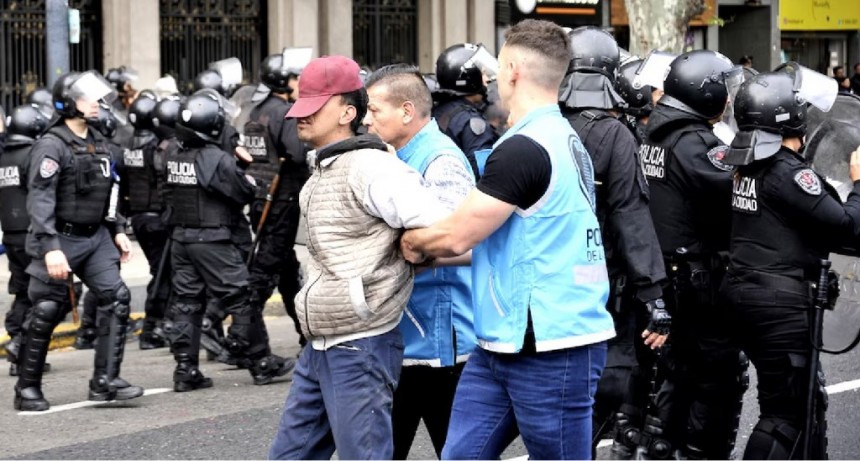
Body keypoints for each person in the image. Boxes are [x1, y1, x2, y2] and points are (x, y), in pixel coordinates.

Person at [401, 19, 614, 460]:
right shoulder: (557, 137)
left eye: (498, 66)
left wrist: (409, 242)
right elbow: (509, 241)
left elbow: (458, 234)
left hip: (552, 344)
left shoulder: (525, 148)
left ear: (514, 70)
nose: (494, 78)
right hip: (504, 340)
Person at [267, 55, 450, 460]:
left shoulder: (372, 167)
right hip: (320, 344)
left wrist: (411, 248)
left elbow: (442, 226)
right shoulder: (323, 168)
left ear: (348, 112)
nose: (302, 117)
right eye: (301, 105)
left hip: (360, 343)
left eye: (315, 106)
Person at [720, 65, 860, 459]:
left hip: (748, 296)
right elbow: (849, 228)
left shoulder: (745, 167)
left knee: (799, 406)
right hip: (779, 305)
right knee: (788, 415)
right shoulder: (788, 174)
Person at [558, 26, 670, 458]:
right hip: (600, 279)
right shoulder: (613, 134)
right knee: (604, 387)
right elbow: (631, 215)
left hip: (543, 282)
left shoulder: (534, 125)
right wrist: (655, 295)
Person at [637, 50, 749, 459]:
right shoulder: (694, 144)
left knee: (677, 374)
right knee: (717, 377)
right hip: (698, 281)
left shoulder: (656, 134)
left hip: (668, 275)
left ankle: (665, 448)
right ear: (705, 94)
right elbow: (738, 190)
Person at [363, 63, 477, 459]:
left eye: (374, 110)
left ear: (407, 111)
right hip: (406, 337)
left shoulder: (439, 160)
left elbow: (462, 245)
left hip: (438, 345)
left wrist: (402, 248)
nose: (366, 119)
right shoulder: (394, 154)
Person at [15, 71, 143, 412]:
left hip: (96, 237)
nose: (98, 105)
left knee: (116, 297)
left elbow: (112, 189)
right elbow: (39, 199)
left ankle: (105, 381)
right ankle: (27, 388)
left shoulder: (100, 141)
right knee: (46, 310)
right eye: (89, 99)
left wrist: (117, 229)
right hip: (60, 238)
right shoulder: (51, 144)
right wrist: (51, 247)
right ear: (68, 103)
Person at [161, 88, 294, 392]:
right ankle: (259, 360)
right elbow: (243, 191)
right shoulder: (215, 159)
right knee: (241, 297)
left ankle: (185, 369)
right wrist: (242, 169)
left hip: (182, 238)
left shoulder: (174, 152)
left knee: (186, 302)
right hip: (213, 239)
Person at [243, 52, 309, 351]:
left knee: (287, 273)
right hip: (281, 199)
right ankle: (242, 337)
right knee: (264, 272)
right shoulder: (284, 111)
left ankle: (306, 336)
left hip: (261, 195)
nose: (299, 82)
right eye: (295, 77)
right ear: (285, 81)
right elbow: (296, 154)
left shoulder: (256, 110)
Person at [1, 104, 52, 376]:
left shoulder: (4, 157)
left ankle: (18, 347)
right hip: (32, 234)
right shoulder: (31, 155)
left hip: (10, 234)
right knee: (42, 294)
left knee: (22, 290)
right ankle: (23, 343)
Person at [123, 90, 169, 349]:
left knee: (159, 271)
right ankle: (153, 328)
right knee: (164, 274)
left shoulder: (128, 144)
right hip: (157, 218)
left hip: (139, 218)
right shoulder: (156, 147)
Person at [433, 43, 498, 179]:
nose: (487, 80)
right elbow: (485, 176)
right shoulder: (471, 123)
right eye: (483, 73)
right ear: (468, 78)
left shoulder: (438, 110)